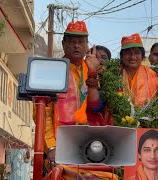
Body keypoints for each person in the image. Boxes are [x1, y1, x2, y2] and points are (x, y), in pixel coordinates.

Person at [42, 21, 113, 173]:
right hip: (60, 144)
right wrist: (51, 146)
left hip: (91, 147)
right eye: (72, 42)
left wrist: (94, 72)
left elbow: (98, 107)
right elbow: (44, 112)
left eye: (81, 42)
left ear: (87, 46)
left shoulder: (95, 70)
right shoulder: (53, 70)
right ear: (63, 44)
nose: (76, 46)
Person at [120, 33, 158, 107]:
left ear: (142, 56)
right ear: (122, 56)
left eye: (137, 53)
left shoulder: (152, 74)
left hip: (146, 117)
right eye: (128, 53)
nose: (133, 57)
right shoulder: (115, 74)